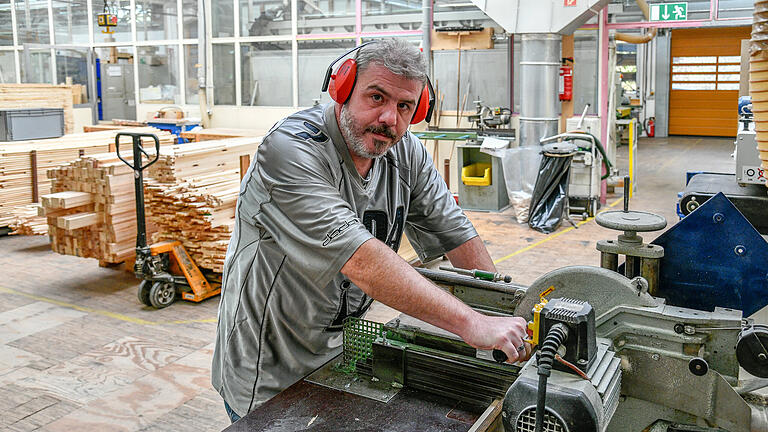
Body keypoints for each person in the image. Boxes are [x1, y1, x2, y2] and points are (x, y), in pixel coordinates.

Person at [212, 38, 530, 423]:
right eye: (376, 97)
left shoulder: (404, 149)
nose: (389, 119)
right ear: (342, 89)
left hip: (342, 354)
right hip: (268, 372)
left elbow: (455, 233)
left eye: (404, 106)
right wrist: (473, 323)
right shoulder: (290, 150)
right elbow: (362, 261)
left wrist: (502, 309)